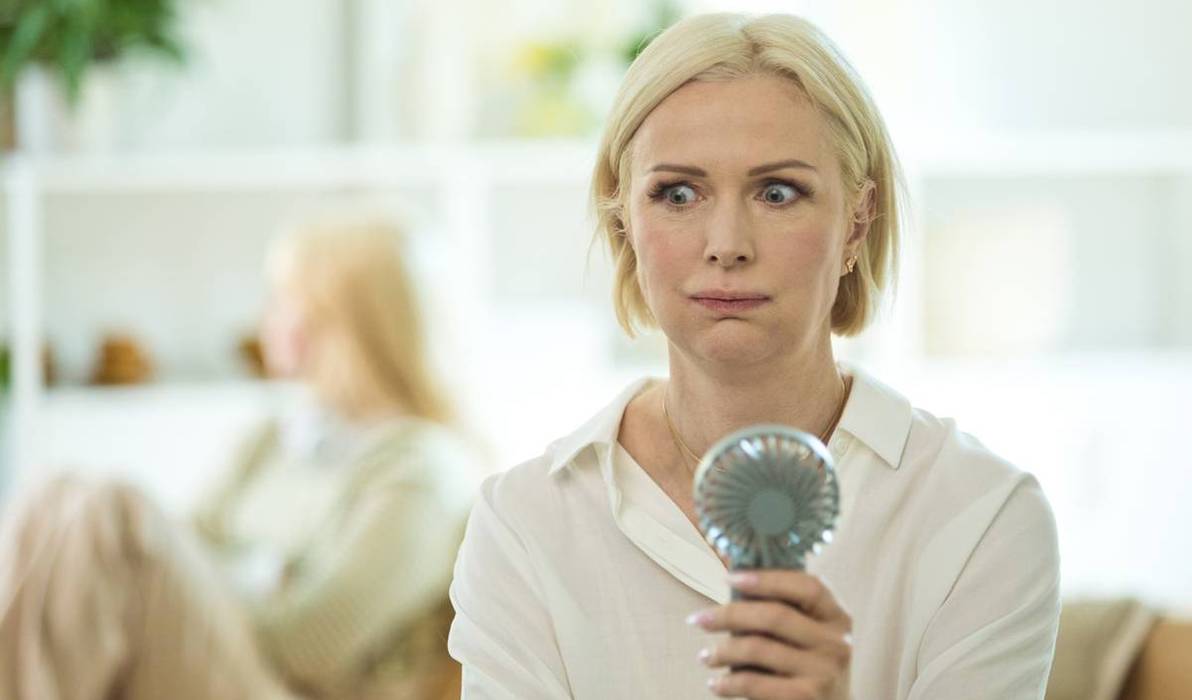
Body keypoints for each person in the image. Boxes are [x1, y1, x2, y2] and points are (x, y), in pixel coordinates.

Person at [447, 12, 1060, 700]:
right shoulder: (525, 524)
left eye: (776, 193)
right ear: (624, 219)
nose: (727, 244)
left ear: (856, 222)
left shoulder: (979, 516)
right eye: (678, 194)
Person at [0, 215, 477, 700]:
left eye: (282, 301)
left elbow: (307, 648)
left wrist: (207, 582)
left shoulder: (422, 473)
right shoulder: (274, 438)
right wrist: (261, 576)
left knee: (115, 515)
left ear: (340, 322)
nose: (264, 318)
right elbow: (189, 541)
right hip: (235, 663)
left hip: (291, 686)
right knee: (54, 496)